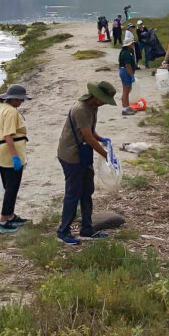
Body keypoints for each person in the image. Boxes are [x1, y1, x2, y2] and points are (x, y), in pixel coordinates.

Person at [56, 82, 117, 245]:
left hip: (83, 154)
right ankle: (63, 231)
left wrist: (101, 139)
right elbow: (88, 138)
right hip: (71, 155)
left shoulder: (93, 107)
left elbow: (90, 132)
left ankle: (87, 230)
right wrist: (106, 155)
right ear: (95, 96)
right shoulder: (81, 109)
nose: (104, 103)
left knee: (87, 191)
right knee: (73, 193)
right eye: (103, 99)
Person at [0, 84, 32, 233]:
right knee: (12, 189)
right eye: (21, 99)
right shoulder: (11, 112)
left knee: (9, 185)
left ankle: (11, 216)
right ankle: (2, 222)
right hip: (10, 154)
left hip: (0, 153)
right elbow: (8, 136)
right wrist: (15, 157)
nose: (22, 102)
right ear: (14, 99)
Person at [119, 38, 136, 116]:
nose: (133, 45)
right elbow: (127, 65)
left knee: (127, 90)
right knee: (126, 91)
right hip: (126, 72)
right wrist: (132, 75)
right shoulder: (126, 53)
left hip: (125, 71)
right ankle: (125, 108)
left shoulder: (127, 52)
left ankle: (127, 107)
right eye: (132, 44)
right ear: (128, 45)